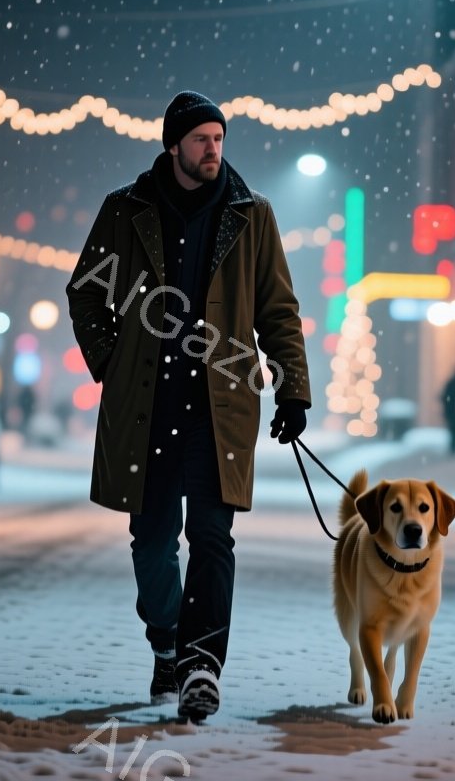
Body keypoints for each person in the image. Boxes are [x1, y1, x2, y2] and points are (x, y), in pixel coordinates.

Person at [67, 91, 311, 724]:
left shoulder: (251, 215)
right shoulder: (125, 210)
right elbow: (86, 293)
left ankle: (201, 665)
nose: (214, 150)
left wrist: (293, 390)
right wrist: (113, 363)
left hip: (218, 405)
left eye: (220, 139)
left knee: (211, 537)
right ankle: (168, 640)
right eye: (202, 139)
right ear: (173, 145)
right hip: (146, 403)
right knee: (151, 541)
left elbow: (276, 311)